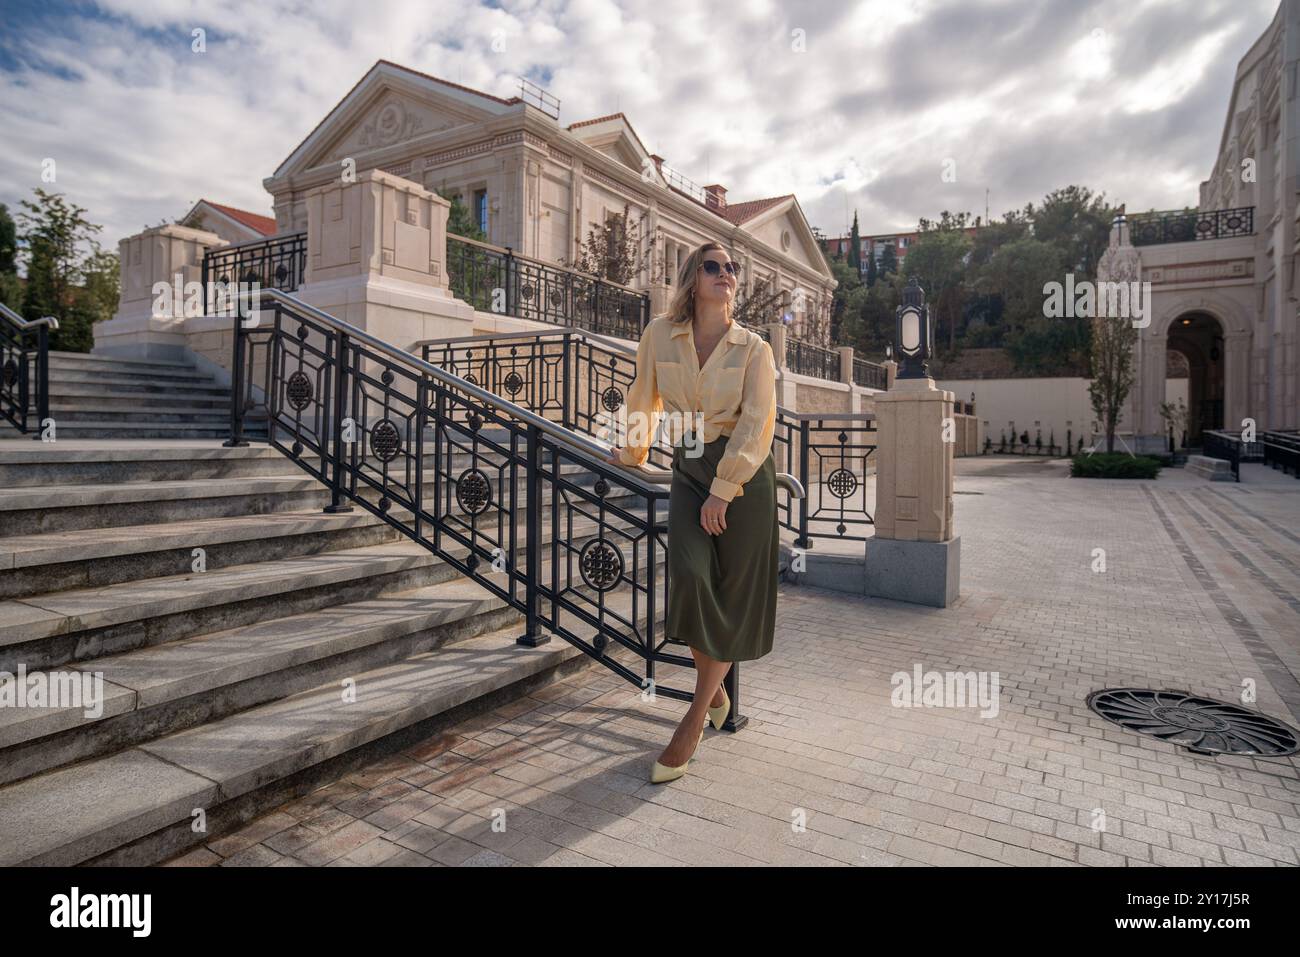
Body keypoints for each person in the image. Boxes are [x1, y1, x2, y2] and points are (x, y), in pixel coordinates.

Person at [605, 241, 778, 783]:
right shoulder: (660, 334)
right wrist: (630, 453)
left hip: (743, 480)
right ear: (692, 278)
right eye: (714, 266)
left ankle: (694, 717)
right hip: (688, 468)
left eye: (732, 269)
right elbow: (644, 398)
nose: (726, 274)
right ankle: (717, 696)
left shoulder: (754, 348)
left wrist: (724, 490)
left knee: (730, 595)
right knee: (690, 575)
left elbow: (758, 423)